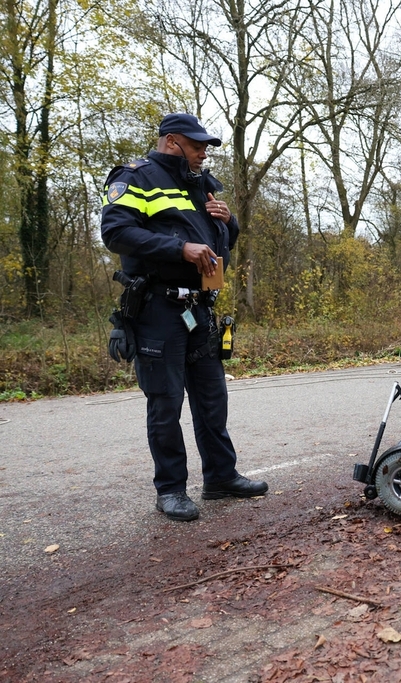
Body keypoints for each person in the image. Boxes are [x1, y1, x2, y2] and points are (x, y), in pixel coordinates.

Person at [100, 112, 268, 522]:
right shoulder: (135, 177)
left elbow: (220, 239)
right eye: (197, 147)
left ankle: (221, 478)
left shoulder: (203, 183)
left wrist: (231, 222)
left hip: (200, 307)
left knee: (212, 398)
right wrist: (180, 250)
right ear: (172, 142)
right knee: (166, 402)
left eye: (206, 148)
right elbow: (116, 233)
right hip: (158, 307)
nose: (203, 154)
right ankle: (171, 489)